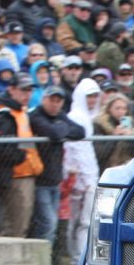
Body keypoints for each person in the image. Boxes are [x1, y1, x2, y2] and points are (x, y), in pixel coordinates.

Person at [28, 86, 83, 243]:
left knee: (52, 224)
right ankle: (41, 260)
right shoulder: (36, 115)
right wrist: (62, 128)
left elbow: (80, 131)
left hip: (55, 180)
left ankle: (48, 260)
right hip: (39, 180)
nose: (55, 104)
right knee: (48, 223)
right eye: (52, 100)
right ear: (44, 99)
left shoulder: (60, 116)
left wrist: (60, 127)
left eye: (58, 101)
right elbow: (54, 133)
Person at [0, 72, 42, 238]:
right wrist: (20, 157)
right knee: (14, 227)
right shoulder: (5, 115)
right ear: (11, 90)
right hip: (15, 177)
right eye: (23, 90)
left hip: (25, 174)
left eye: (30, 90)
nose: (27, 94)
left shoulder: (20, 112)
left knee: (20, 225)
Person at [63, 78, 101, 265]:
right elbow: (75, 150)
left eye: (95, 96)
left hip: (87, 177)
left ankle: (81, 258)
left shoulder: (86, 118)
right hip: (78, 177)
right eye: (89, 96)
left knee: (84, 221)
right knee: (78, 221)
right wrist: (83, 179)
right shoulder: (76, 117)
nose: (93, 100)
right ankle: (78, 259)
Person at [93, 92, 134, 170]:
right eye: (117, 108)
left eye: (124, 108)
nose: (121, 112)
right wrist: (114, 137)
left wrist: (131, 138)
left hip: (125, 168)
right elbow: (100, 154)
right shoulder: (99, 125)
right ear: (109, 109)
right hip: (105, 169)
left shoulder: (132, 125)